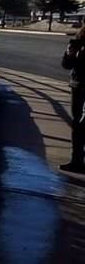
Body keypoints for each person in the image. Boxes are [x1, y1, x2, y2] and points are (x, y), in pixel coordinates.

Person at [61, 27, 85, 173]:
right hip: (78, 85)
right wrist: (69, 53)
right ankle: (76, 161)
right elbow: (66, 65)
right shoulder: (80, 37)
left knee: (82, 125)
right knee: (76, 124)